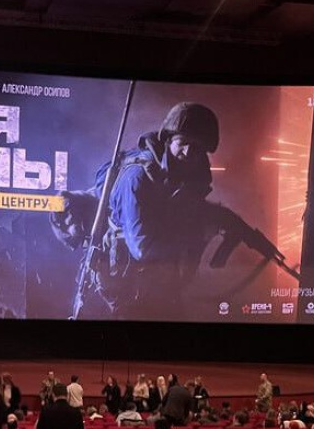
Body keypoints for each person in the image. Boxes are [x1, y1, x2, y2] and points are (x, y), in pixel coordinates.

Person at [52, 102, 222, 319]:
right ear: (168, 139)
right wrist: (196, 237)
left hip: (154, 287)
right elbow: (142, 247)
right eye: (183, 143)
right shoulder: (137, 177)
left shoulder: (181, 177)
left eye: (197, 148)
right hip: (125, 291)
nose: (188, 152)